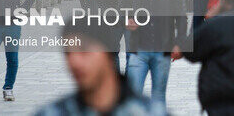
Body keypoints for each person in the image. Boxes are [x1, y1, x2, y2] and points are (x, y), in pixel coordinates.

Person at [35, 20, 166, 116]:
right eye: (68, 53)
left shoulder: (150, 112)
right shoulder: (52, 112)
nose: (74, 61)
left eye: (84, 50)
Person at [121, 0, 187, 104]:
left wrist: (179, 43)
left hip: (162, 50)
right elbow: (119, 14)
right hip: (137, 50)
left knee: (158, 95)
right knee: (133, 94)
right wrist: (126, 20)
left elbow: (182, 18)